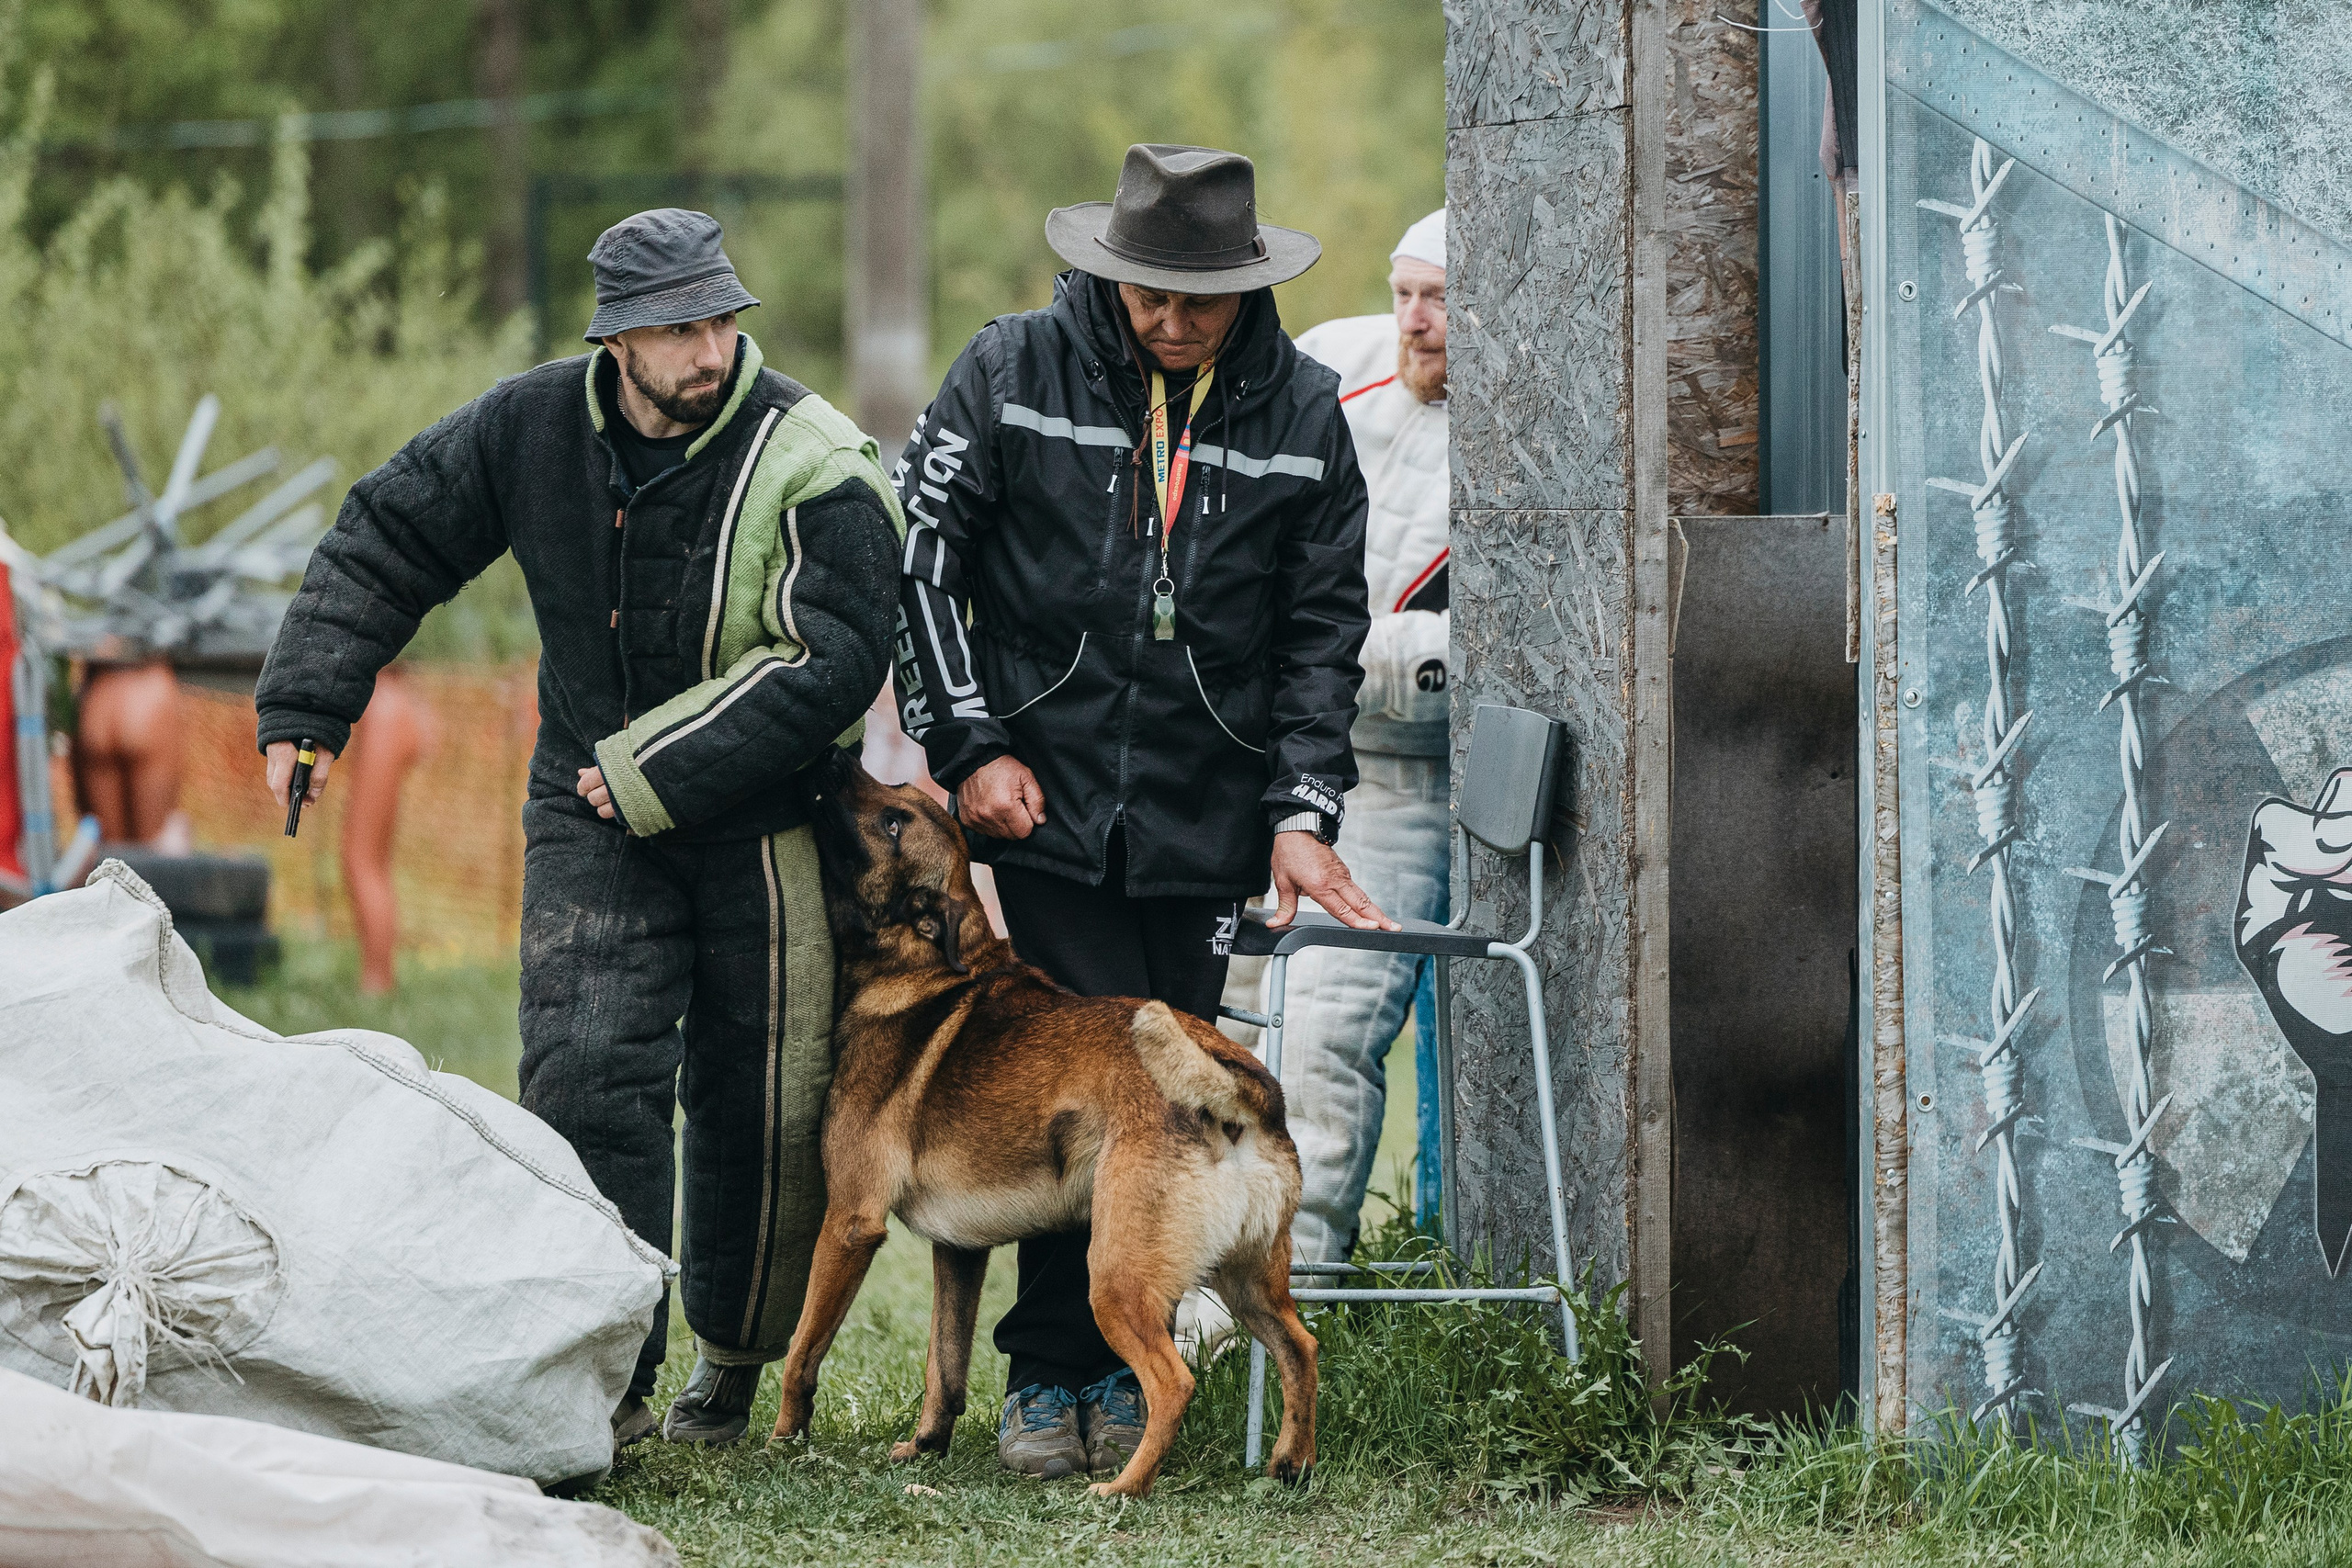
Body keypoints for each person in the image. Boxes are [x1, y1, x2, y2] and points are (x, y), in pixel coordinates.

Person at [254, 209, 901, 1452]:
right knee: (581, 1074)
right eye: (676, 326)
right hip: (583, 807)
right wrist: (307, 701)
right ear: (617, 338)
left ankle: (731, 1360)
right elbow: (389, 533)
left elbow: (836, 657)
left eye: (721, 318)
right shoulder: (528, 425)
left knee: (763, 1097)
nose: (709, 348)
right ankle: (606, 1367)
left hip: (764, 808)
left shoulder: (816, 459)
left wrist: (654, 767)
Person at [891, 142, 1394, 1482]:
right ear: (1106, 270)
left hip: (1206, 812)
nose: (1167, 322)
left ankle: (1123, 1370)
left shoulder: (1302, 409)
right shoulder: (1009, 369)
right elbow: (925, 567)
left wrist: (1302, 810)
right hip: (1042, 804)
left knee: (1165, 1117)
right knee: (1091, 1092)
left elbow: (1322, 630)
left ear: (1245, 286)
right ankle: (1052, 1377)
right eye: (1143, 294)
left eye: (1196, 300)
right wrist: (969, 745)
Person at [1230, 209, 1453, 1262]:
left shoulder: (1549, 424)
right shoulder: (1330, 363)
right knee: (1209, 1031)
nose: (1416, 321)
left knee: (1320, 1041)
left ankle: (1287, 1298)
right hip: (1260, 753)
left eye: (1442, 299)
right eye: (1404, 291)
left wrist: (1325, 659)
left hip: (1399, 780)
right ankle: (1182, 1295)